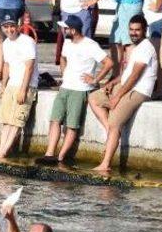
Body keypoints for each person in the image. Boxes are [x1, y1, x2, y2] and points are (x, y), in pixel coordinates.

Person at [36, 15, 113, 166]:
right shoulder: (67, 42)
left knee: (72, 125)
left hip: (80, 89)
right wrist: (65, 73)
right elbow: (63, 58)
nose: (63, 30)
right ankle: (49, 154)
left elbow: (108, 62)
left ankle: (60, 157)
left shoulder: (90, 45)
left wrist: (96, 80)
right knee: (55, 120)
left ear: (73, 30)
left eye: (65, 28)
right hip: (65, 87)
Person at [89, 15, 156, 172]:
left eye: (137, 30)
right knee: (93, 97)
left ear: (144, 30)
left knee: (115, 124)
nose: (134, 33)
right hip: (125, 86)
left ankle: (105, 164)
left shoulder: (146, 47)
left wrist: (117, 96)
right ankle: (109, 130)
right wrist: (112, 83)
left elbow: (135, 76)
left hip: (138, 91)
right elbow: (126, 74)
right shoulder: (136, 48)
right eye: (131, 30)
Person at [0, 13, 39, 159]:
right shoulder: (6, 43)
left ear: (18, 26)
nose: (9, 30)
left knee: (16, 121)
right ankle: (1, 149)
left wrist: (23, 90)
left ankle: (4, 151)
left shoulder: (27, 41)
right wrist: (3, 86)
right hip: (11, 84)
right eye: (6, 27)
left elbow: (29, 67)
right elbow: (6, 65)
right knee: (6, 120)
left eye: (12, 26)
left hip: (25, 85)